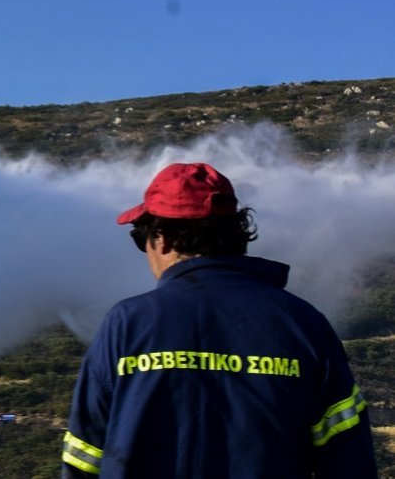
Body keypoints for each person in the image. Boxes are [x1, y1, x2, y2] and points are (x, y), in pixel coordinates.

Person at [62, 162, 376, 478]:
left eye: (141, 237)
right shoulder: (303, 323)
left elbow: (83, 457)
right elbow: (348, 455)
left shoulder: (126, 325)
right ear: (237, 235)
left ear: (163, 239)